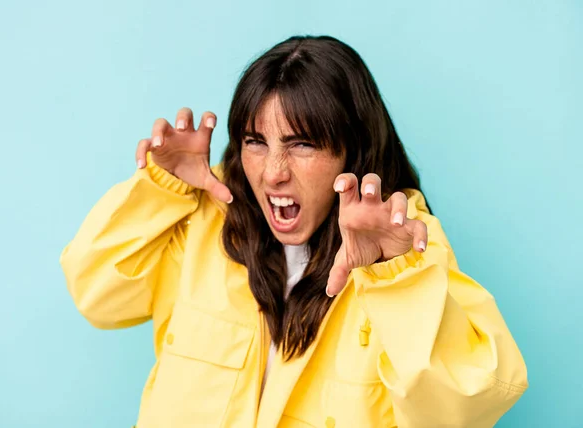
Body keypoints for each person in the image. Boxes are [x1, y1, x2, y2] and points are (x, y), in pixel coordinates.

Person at [60, 35, 528, 428]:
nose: (273, 173)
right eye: (255, 142)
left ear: (353, 149)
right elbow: (97, 295)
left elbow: (465, 404)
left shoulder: (403, 241)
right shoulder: (206, 219)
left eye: (302, 143)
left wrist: (394, 276)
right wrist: (161, 189)